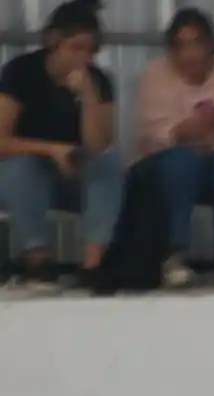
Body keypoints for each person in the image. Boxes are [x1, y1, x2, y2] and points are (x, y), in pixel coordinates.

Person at [0, 0, 123, 293]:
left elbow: (99, 144)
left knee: (108, 165)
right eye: (75, 48)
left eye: (89, 51)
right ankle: (38, 260)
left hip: (73, 174)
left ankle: (92, 265)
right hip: (24, 174)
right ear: (55, 42)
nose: (82, 58)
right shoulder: (22, 72)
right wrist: (51, 150)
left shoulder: (98, 81)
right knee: (21, 168)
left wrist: (89, 96)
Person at [134, 7, 214, 289]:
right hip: (160, 169)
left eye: (197, 43)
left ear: (211, 45)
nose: (191, 54)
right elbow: (151, 133)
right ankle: (174, 255)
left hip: (213, 161)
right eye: (182, 46)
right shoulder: (156, 74)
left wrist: (212, 131)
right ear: (171, 51)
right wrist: (188, 133)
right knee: (181, 161)